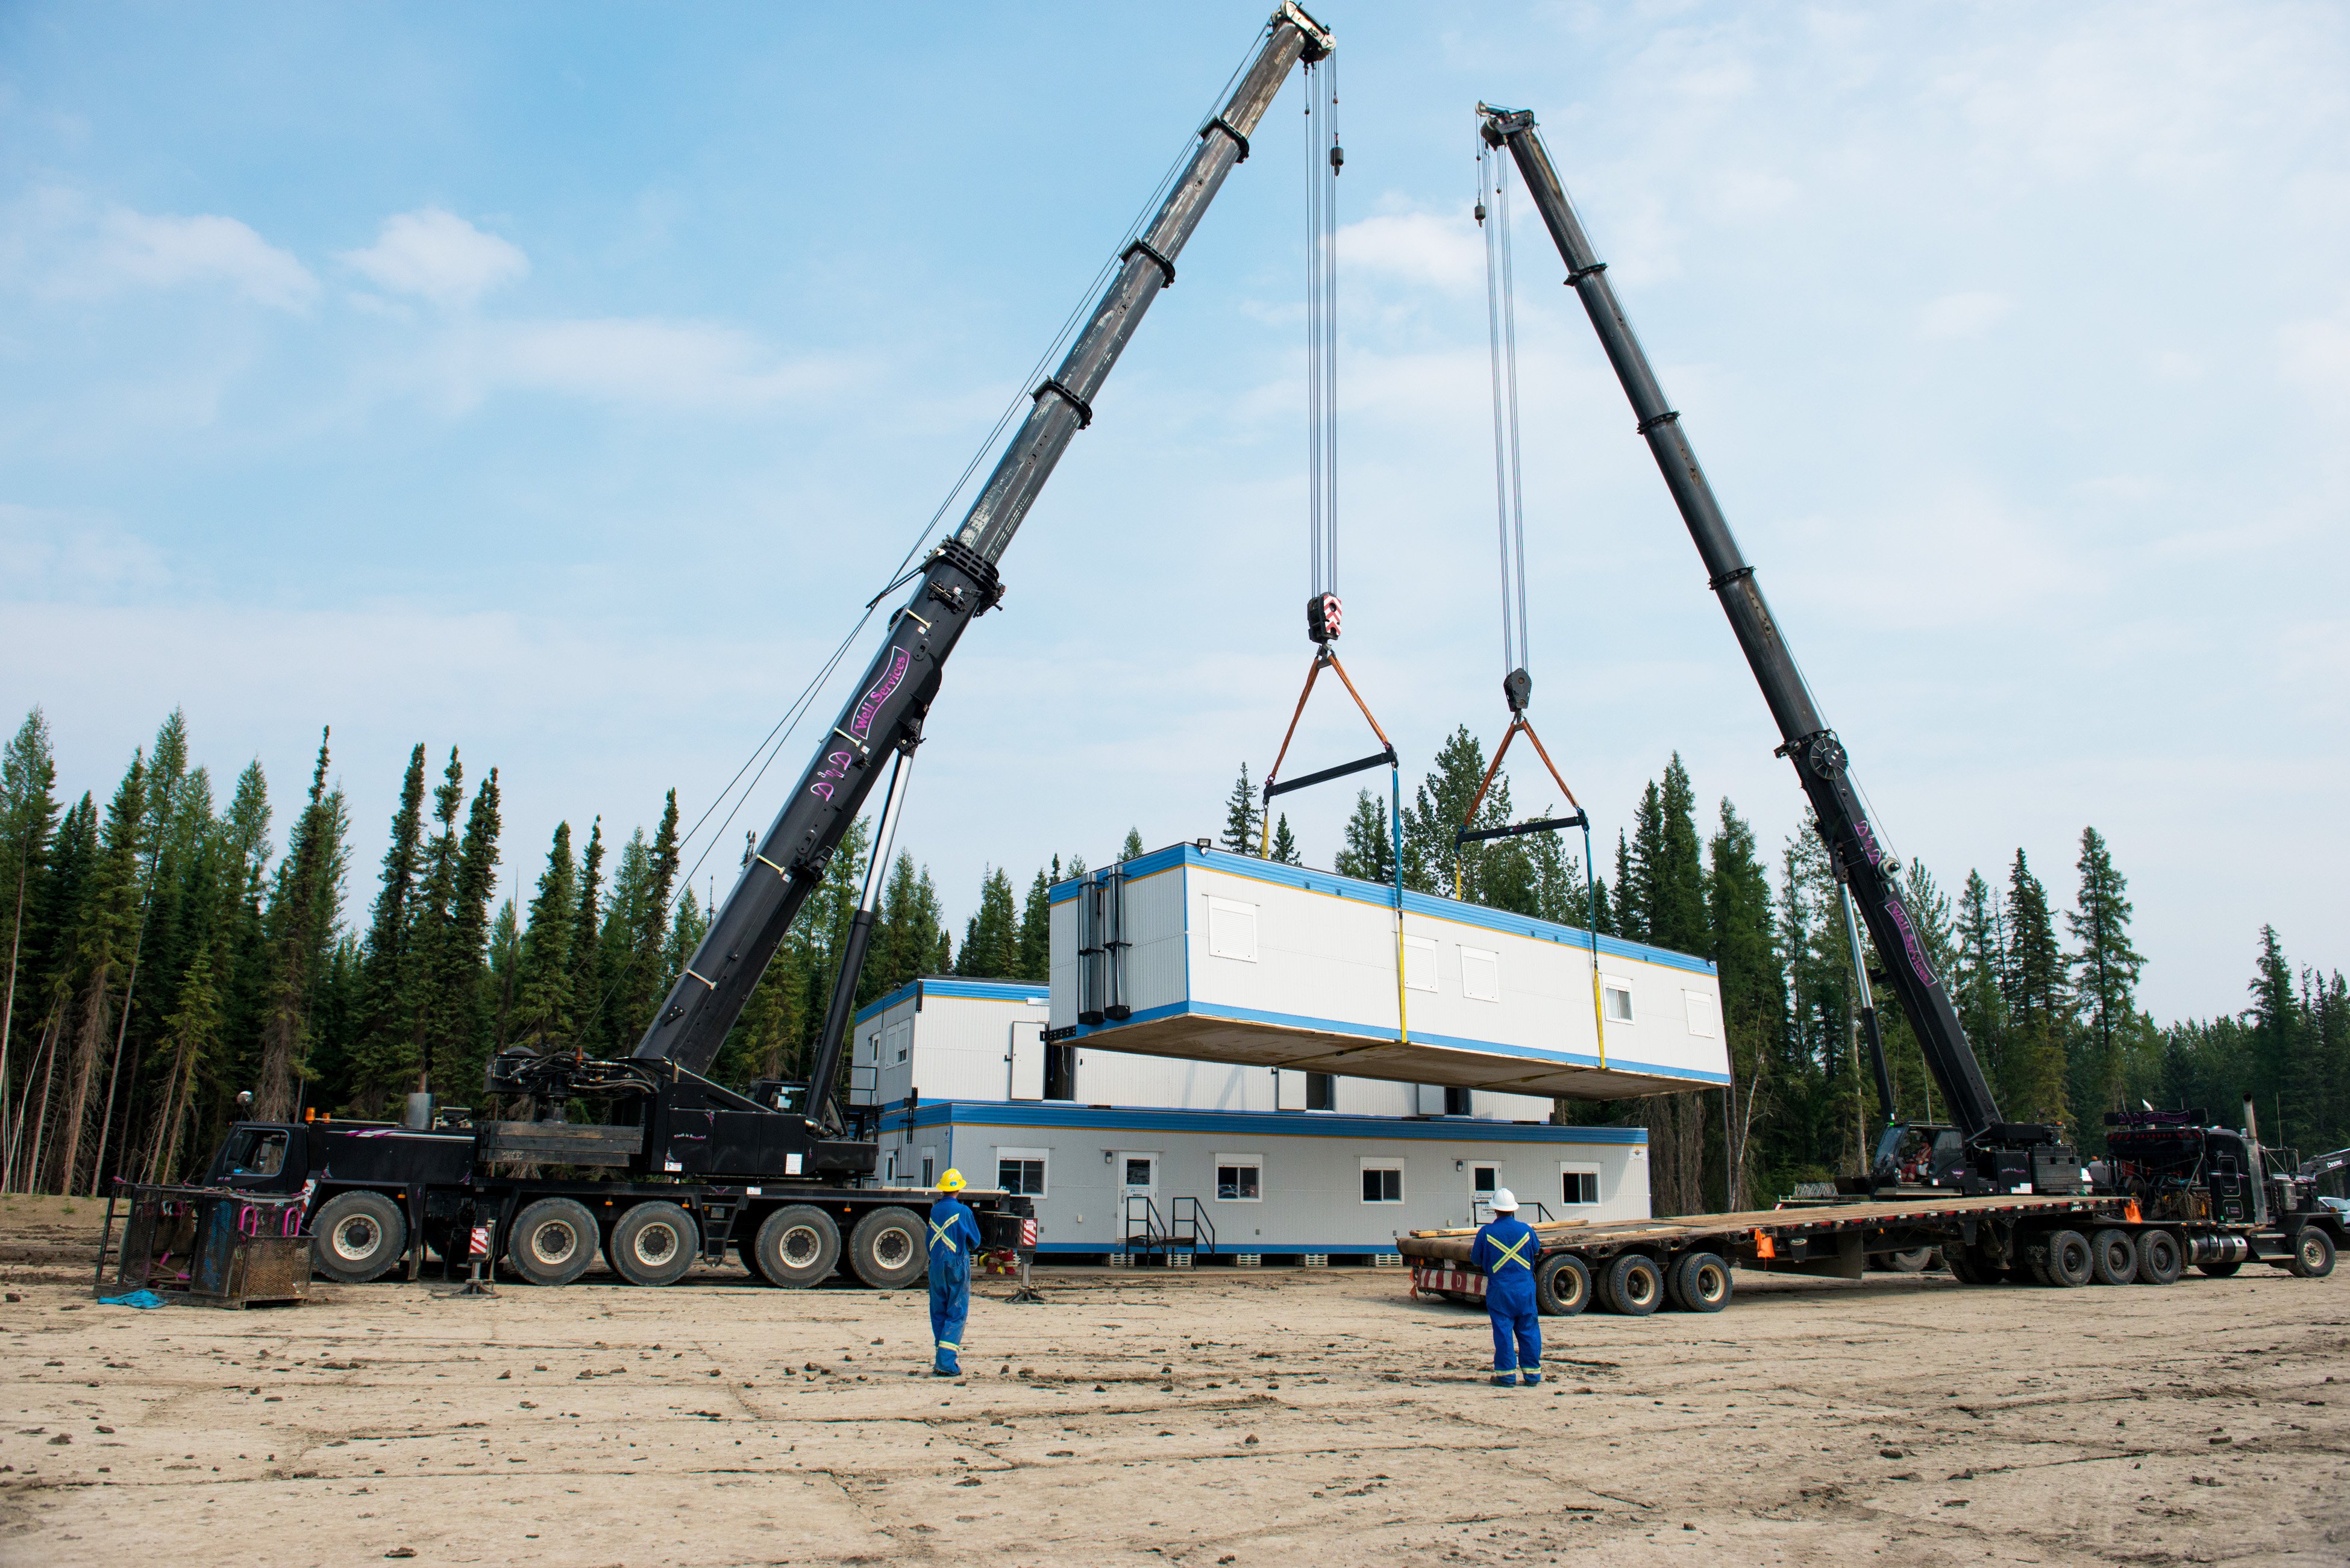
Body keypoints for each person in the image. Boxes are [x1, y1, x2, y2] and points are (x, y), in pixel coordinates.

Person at [1469, 1188, 1541, 1387]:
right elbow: (1536, 1250)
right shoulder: (1527, 1230)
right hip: (1525, 1289)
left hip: (1500, 1290)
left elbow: (1475, 1259)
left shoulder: (1486, 1232)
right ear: (1513, 1209)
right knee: (1529, 1330)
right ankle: (1533, 1376)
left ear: (1495, 1210)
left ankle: (1507, 1376)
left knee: (1503, 1332)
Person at [926, 1169, 984, 1376]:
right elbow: (975, 1241)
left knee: (939, 1311)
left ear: (942, 1189)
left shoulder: (935, 1211)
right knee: (956, 1312)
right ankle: (946, 1363)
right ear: (959, 1189)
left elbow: (929, 1240)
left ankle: (941, 1358)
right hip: (957, 1264)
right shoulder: (964, 1211)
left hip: (936, 1264)